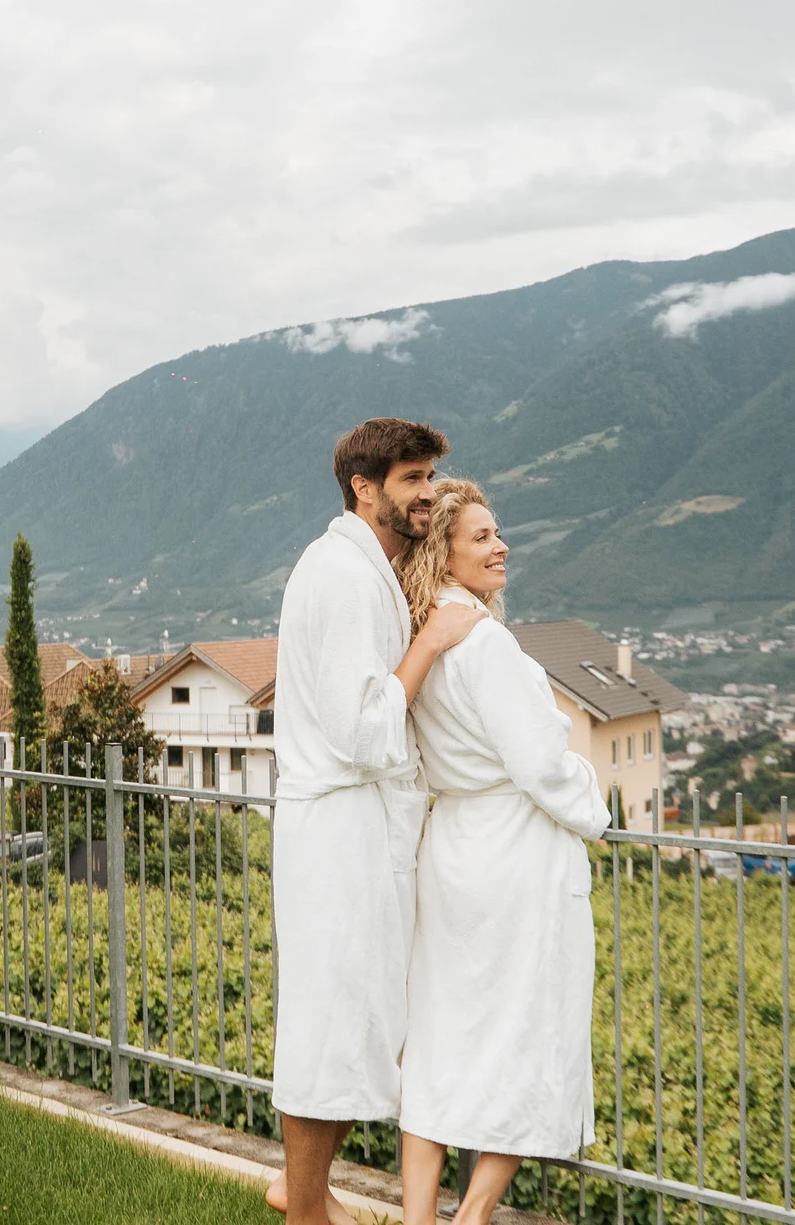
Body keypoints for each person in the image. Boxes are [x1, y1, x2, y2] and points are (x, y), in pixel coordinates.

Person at [265, 420, 488, 1225]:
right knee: (332, 1019)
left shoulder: (365, 570)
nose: (427, 492)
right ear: (365, 488)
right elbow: (363, 731)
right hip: (341, 829)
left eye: (430, 478)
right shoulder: (348, 579)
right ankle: (305, 1211)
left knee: (353, 1019)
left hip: (355, 828)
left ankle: (301, 1189)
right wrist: (429, 643)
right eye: (412, 478)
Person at [396, 479, 610, 1225]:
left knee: (441, 1037)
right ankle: (473, 1215)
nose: (500, 546)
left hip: (453, 848)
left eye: (498, 533)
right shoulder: (485, 642)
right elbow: (541, 766)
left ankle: (419, 1216)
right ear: (445, 553)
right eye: (483, 536)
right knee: (528, 1031)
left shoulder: (426, 637)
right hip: (515, 857)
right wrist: (595, 804)